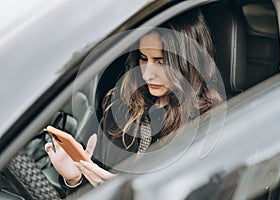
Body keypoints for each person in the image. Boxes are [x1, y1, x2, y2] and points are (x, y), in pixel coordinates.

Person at [45, 8, 223, 195]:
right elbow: (96, 180)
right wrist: (74, 178)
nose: (147, 74)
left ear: (186, 62)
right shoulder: (121, 106)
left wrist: (130, 191)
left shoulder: (209, 123)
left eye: (161, 62)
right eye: (143, 58)